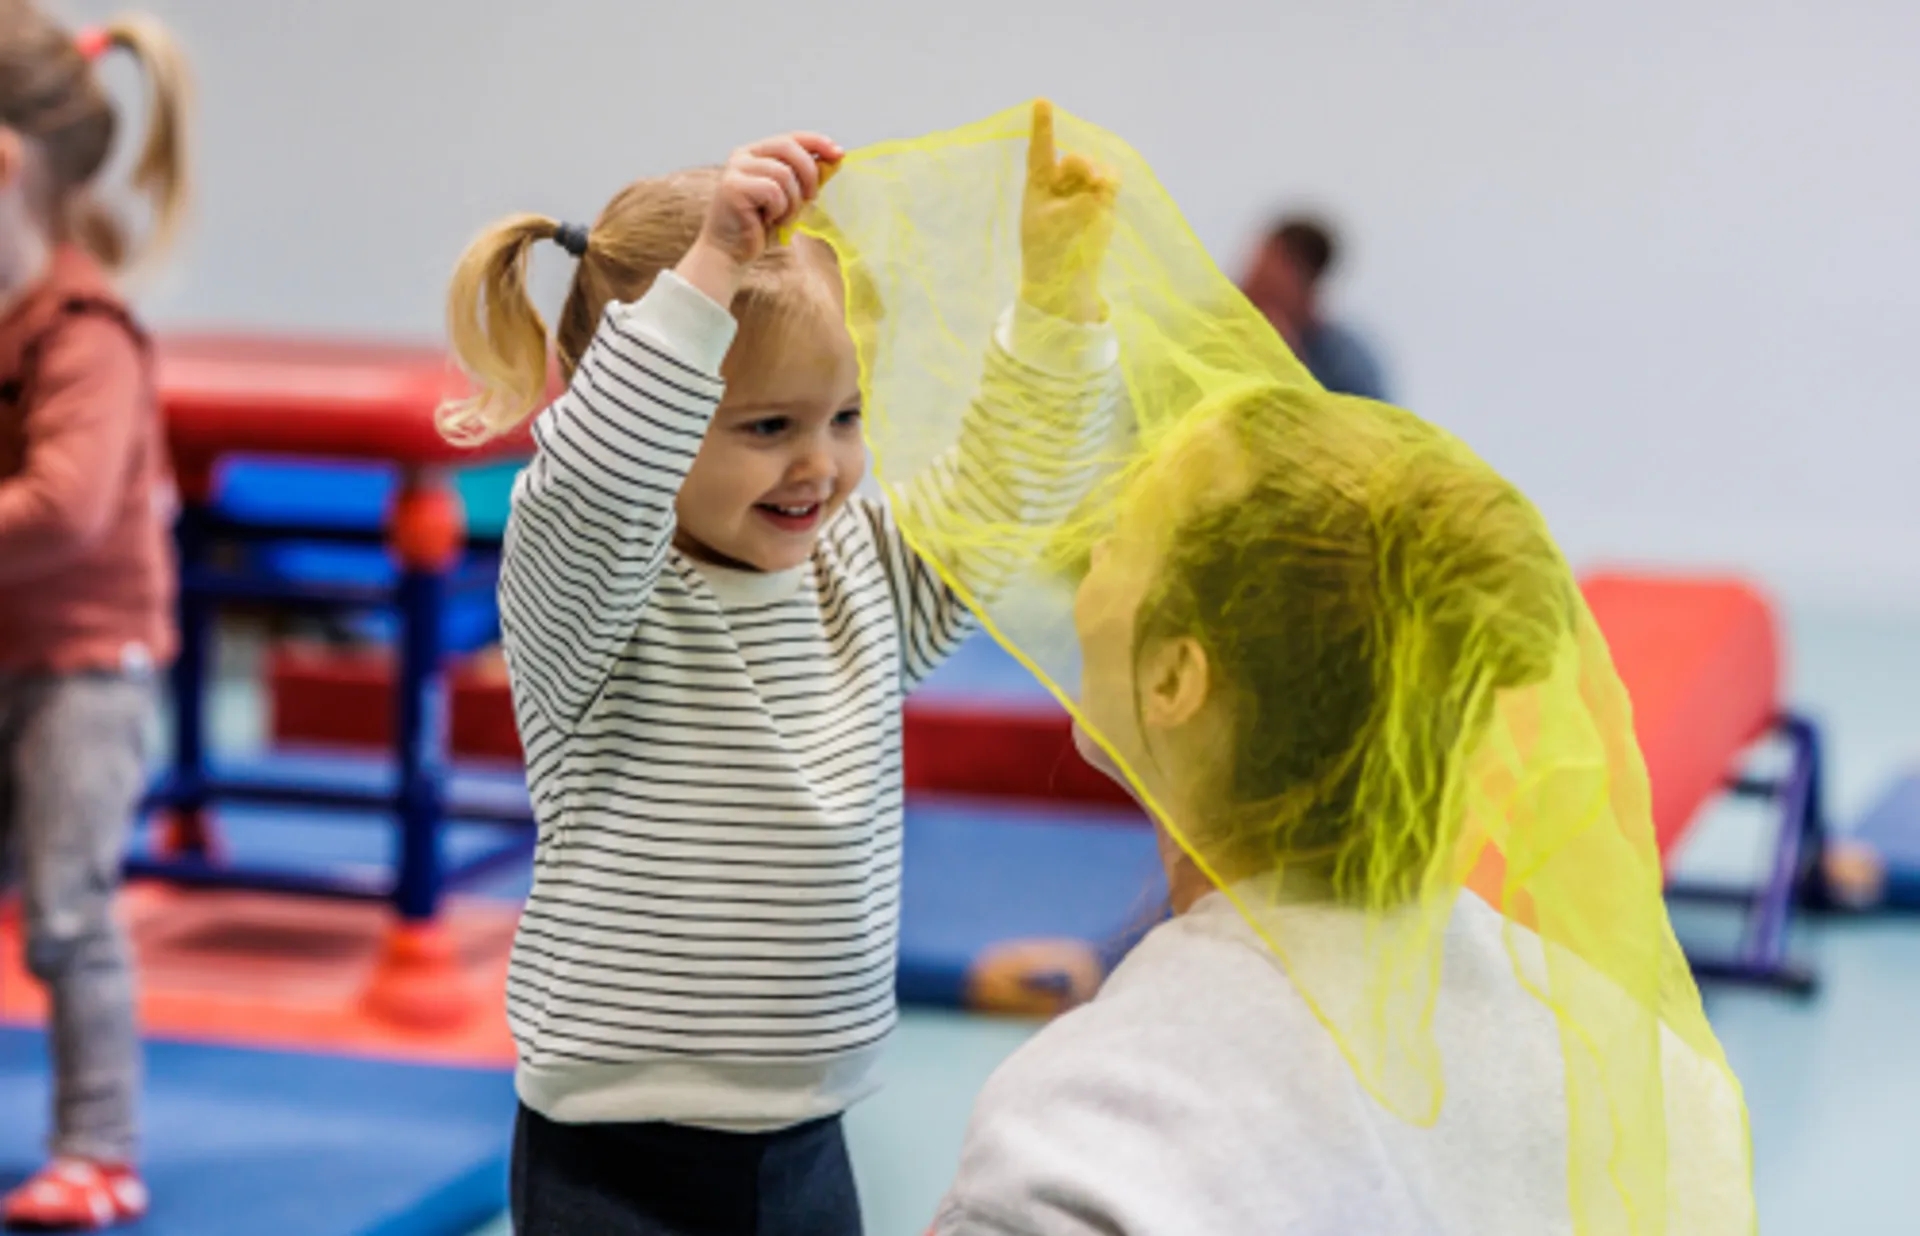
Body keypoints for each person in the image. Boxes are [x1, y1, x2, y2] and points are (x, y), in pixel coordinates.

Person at [439, 101, 1124, 1235]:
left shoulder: (858, 577)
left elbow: (1004, 489)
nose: (820, 464)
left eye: (845, 417)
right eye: (767, 427)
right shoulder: (595, 596)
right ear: (660, 411)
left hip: (808, 1137)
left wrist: (1057, 299)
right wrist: (710, 266)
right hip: (618, 1151)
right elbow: (602, 474)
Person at [928, 385, 1755, 1234]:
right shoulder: (1649, 1076)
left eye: (1126, 535)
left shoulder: (1083, 1130)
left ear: (1174, 678)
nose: (1094, 553)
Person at [0, 4, 192, 1230]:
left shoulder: (86, 332)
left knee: (68, 909)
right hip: (9, 646)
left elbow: (62, 509)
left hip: (84, 666)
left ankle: (99, 1148)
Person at [1240, 214, 1391, 399]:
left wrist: (1291, 365)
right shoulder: (1213, 325)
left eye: (1268, 288)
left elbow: (1369, 413)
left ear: (1308, 290)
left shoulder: (1345, 361)